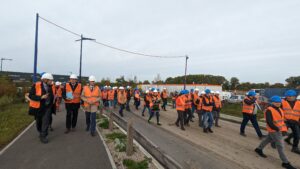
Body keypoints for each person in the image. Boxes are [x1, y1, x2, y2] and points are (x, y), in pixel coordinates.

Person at [255, 96, 296, 169]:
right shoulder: (269, 110)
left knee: (267, 139)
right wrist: (277, 129)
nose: (278, 103)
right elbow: (269, 122)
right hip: (274, 130)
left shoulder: (280, 109)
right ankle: (285, 162)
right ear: (272, 102)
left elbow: (282, 120)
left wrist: (288, 124)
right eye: (276, 102)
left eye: (279, 102)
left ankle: (258, 149)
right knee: (280, 146)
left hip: (278, 130)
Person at [29, 73, 54, 143]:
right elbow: (31, 96)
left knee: (46, 121)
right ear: (45, 80)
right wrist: (41, 97)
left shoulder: (50, 86)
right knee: (38, 122)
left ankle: (43, 135)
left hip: (47, 107)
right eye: (50, 80)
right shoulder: (36, 85)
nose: (51, 82)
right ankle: (40, 132)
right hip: (39, 107)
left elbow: (51, 96)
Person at [281, 90, 300, 154]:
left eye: (290, 96)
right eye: (287, 96)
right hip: (286, 121)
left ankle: (295, 148)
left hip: (295, 122)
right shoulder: (282, 102)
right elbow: (278, 112)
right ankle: (275, 142)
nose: (288, 97)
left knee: (297, 135)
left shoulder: (299, 103)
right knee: (281, 133)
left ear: (294, 96)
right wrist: (283, 119)